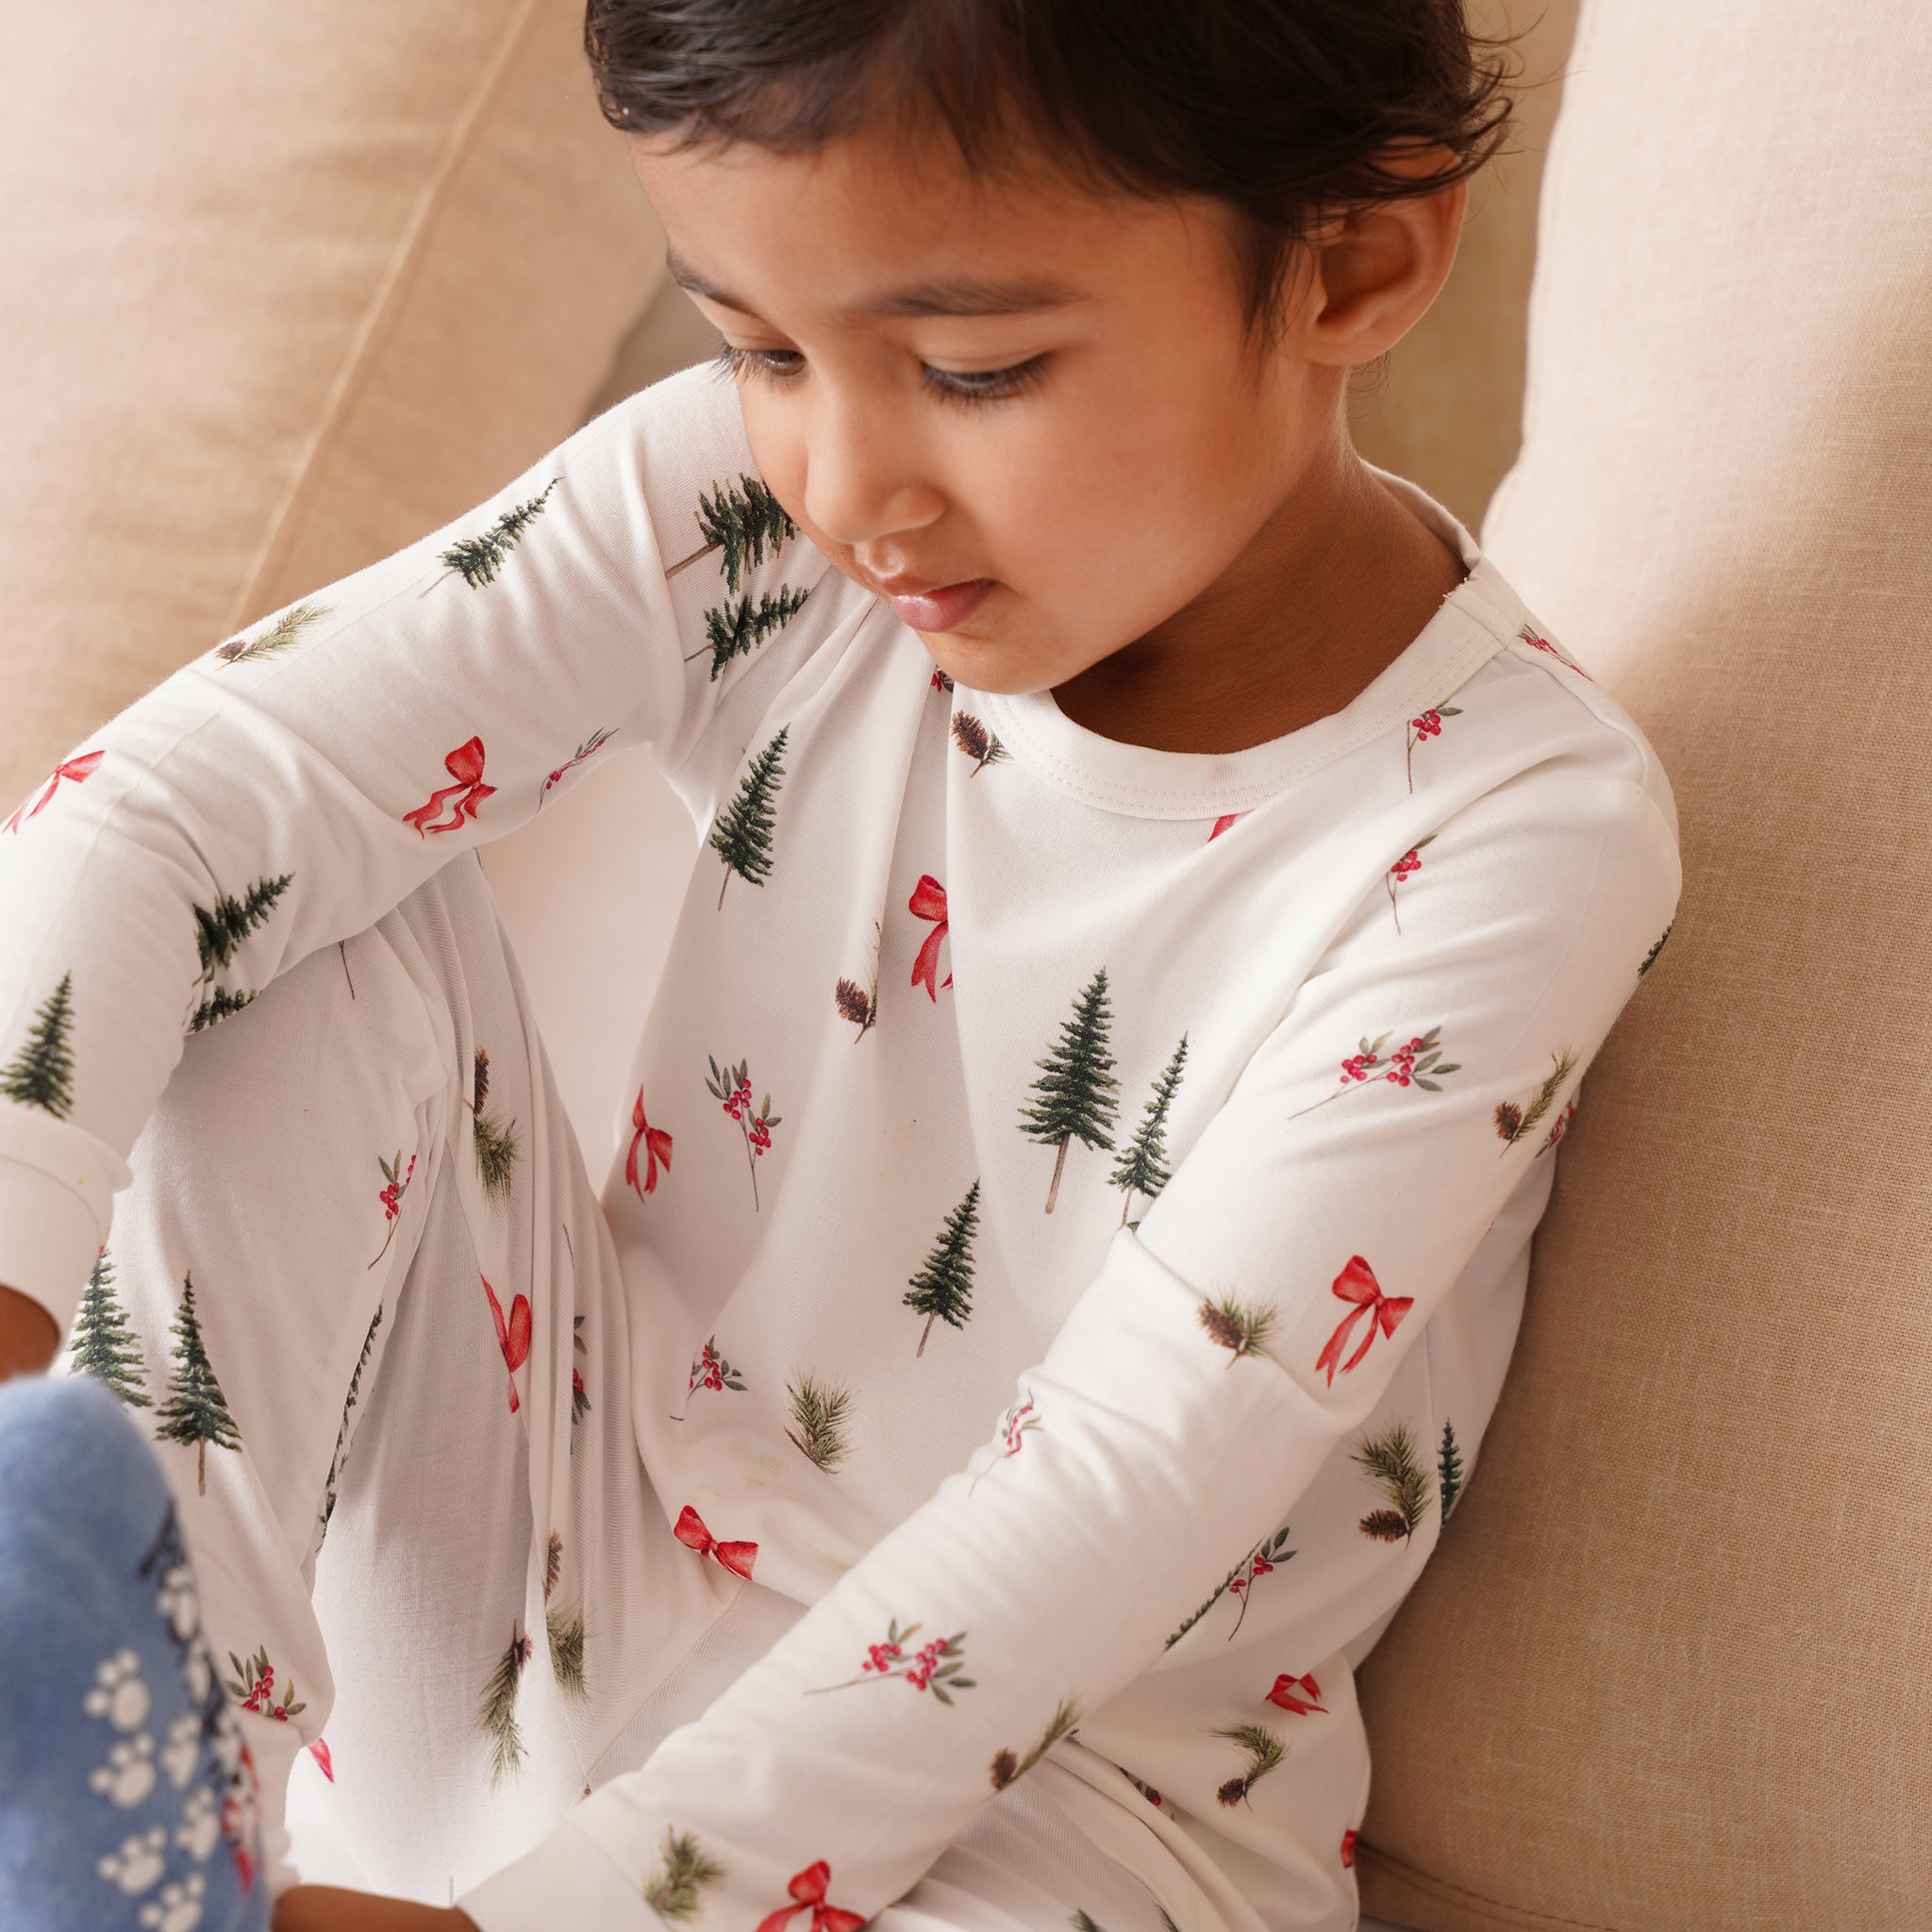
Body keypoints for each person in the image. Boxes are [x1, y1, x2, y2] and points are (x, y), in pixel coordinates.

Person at [0, 3, 1682, 1929]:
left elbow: (1117, 1490)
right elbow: (174, 801)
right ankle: (122, 1790)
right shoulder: (752, 510)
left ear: (1355, 257)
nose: (843, 481)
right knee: (293, 932)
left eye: (975, 369)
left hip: (1062, 1809)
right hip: (543, 1567)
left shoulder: (1515, 835)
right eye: (762, 348)